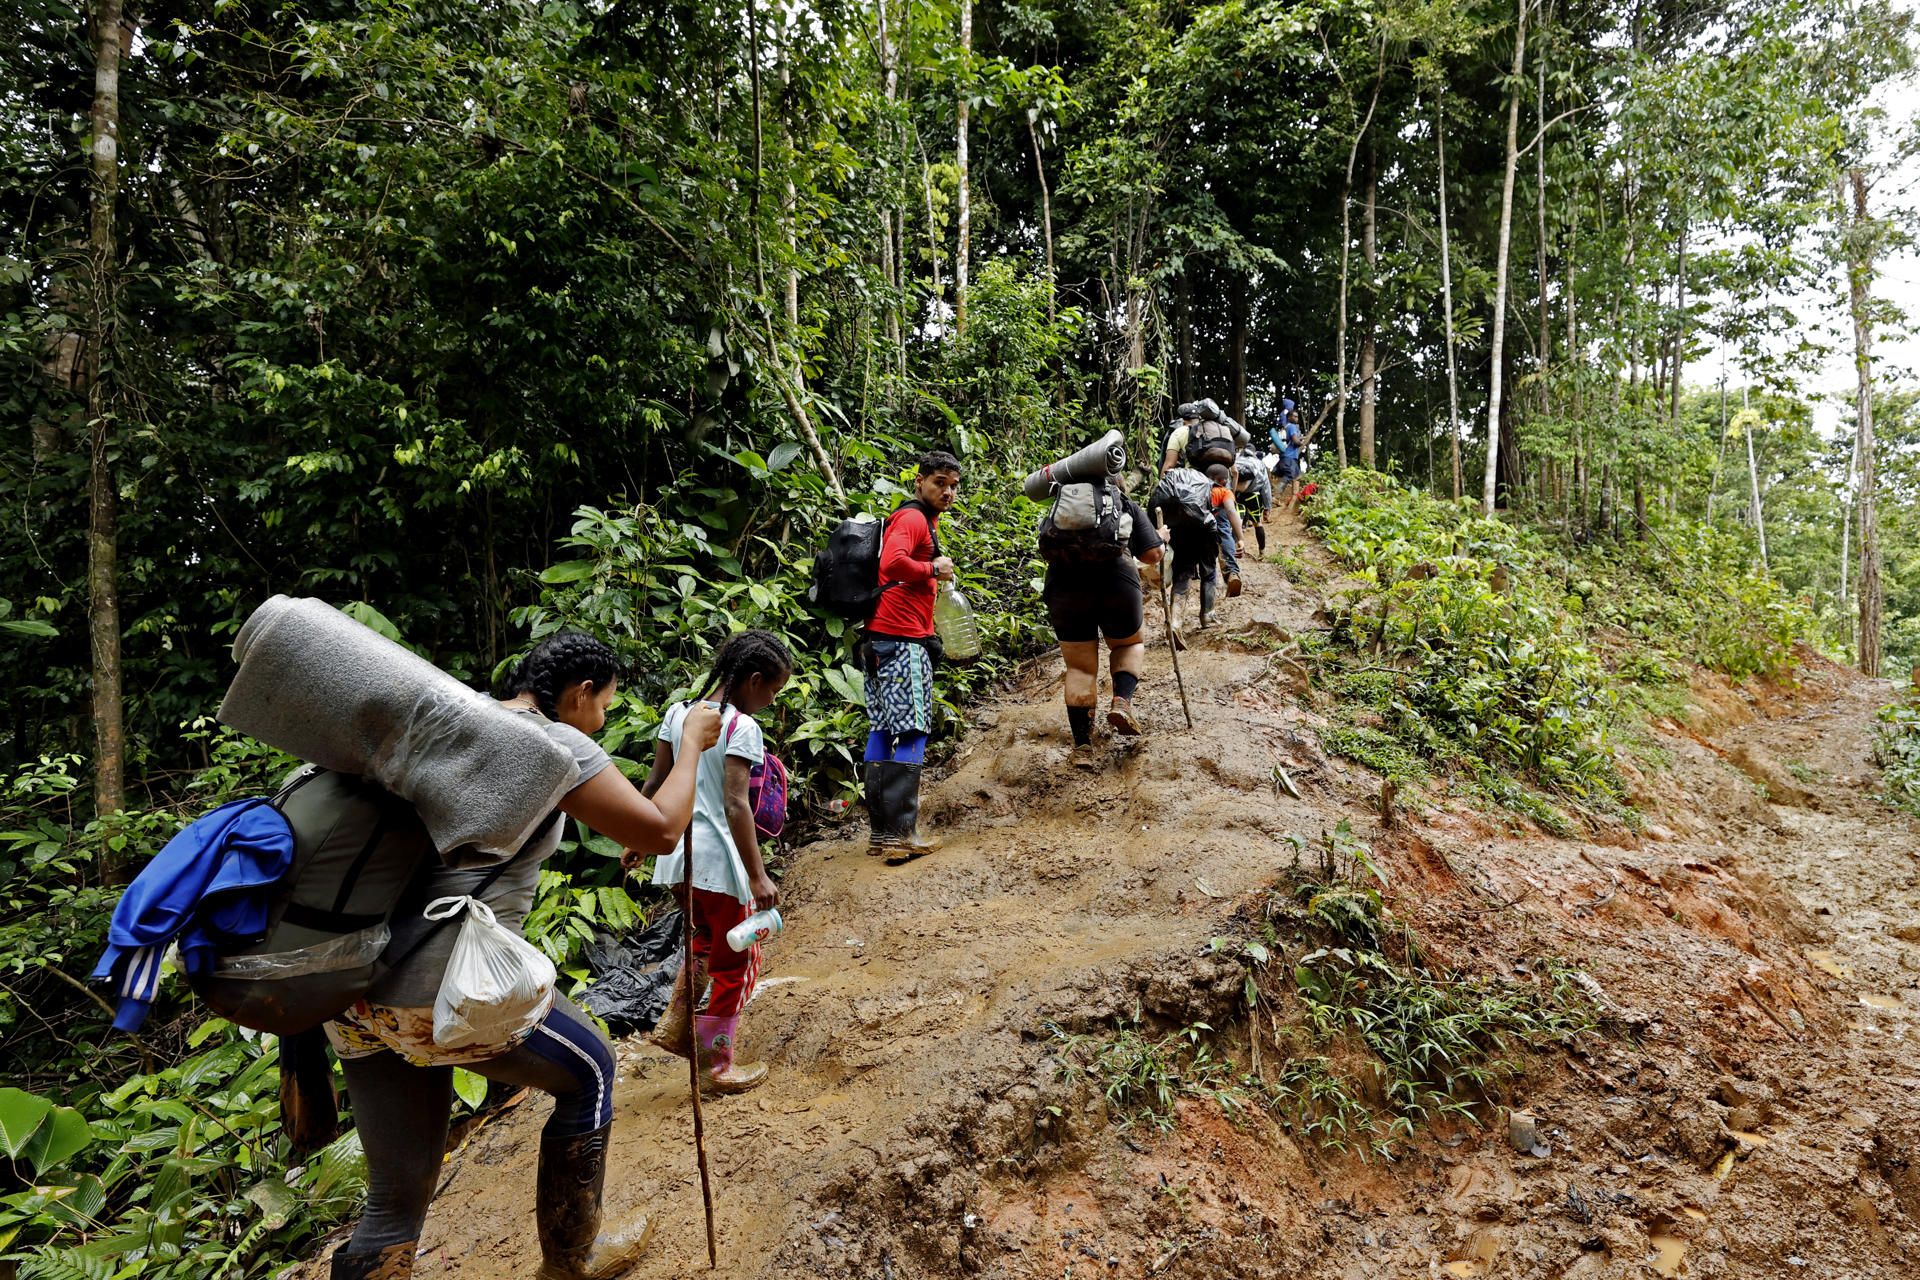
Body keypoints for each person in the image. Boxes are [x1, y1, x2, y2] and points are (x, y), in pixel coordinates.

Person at [324, 632, 721, 1280]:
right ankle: (573, 1258)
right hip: (441, 988)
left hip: (353, 992)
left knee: (392, 1206)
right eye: (604, 707)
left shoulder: (456, 721)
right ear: (580, 693)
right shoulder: (552, 741)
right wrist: (692, 747)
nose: (603, 720)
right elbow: (659, 828)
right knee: (590, 1069)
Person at [635, 629, 792, 1095]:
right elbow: (736, 805)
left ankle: (676, 1022)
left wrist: (637, 839)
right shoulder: (741, 727)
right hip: (721, 866)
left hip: (679, 862)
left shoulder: (678, 713)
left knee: (704, 940)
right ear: (755, 679)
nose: (771, 701)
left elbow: (656, 781)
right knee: (737, 963)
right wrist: (758, 875)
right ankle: (716, 1066)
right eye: (773, 691)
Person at [863, 450, 960, 863]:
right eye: (939, 482)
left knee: (884, 730)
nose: (948, 491)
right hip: (901, 640)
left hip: (880, 639)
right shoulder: (913, 518)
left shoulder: (917, 519)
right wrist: (933, 570)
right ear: (918, 481)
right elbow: (893, 563)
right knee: (915, 731)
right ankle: (902, 835)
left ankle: (883, 833)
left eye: (953, 485)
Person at [1036, 474, 1165, 770]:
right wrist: (1162, 537)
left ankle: (1083, 746)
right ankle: (1121, 701)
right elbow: (1152, 554)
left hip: (1064, 584)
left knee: (1079, 666)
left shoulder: (1062, 503)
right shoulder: (1124, 503)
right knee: (1129, 643)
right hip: (1116, 580)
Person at [1150, 465, 1223, 634]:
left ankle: (1175, 622)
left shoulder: (1167, 486)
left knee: (1183, 571)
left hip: (1173, 527)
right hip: (1202, 527)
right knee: (1209, 570)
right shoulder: (1208, 486)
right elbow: (1224, 509)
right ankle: (1208, 616)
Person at [1162, 399, 1250, 474]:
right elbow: (1235, 472)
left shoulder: (1179, 432)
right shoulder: (1221, 430)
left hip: (1194, 483)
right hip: (1221, 483)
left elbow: (1169, 466)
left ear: (1182, 421)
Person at [1207, 462, 1248, 599]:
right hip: (1222, 508)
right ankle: (1232, 572)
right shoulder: (1225, 491)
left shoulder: (1198, 488)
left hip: (1200, 523)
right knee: (1224, 531)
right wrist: (1240, 538)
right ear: (1225, 481)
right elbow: (1231, 510)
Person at [1235, 445, 1273, 556]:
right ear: (1254, 452)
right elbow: (1265, 487)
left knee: (1235, 523)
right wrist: (1267, 506)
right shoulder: (1259, 463)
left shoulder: (1236, 459)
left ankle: (1235, 551)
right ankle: (1262, 552)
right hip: (1254, 496)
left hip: (1238, 495)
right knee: (1258, 524)